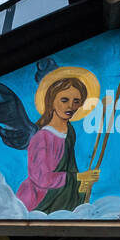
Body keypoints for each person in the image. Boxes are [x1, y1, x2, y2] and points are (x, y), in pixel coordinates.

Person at [16, 77, 99, 213]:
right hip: (38, 202)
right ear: (52, 101)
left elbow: (70, 166)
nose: (70, 106)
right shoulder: (42, 137)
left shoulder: (70, 131)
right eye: (64, 100)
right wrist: (78, 178)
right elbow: (41, 178)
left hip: (61, 199)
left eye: (76, 101)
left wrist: (81, 185)